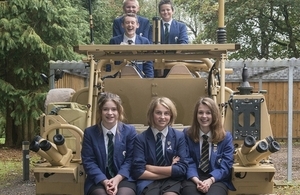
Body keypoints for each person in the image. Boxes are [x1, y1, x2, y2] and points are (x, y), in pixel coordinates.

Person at [81, 92, 137, 195]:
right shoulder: (90, 133)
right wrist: (105, 181)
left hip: (124, 177)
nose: (110, 113)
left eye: (114, 109)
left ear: (119, 111)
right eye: (105, 109)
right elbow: (89, 161)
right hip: (98, 179)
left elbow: (131, 159)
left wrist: (117, 179)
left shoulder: (129, 131)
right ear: (100, 111)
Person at [131, 97, 188, 195]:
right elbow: (138, 172)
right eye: (158, 113)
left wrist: (149, 167)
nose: (162, 117)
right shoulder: (140, 139)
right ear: (151, 114)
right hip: (148, 181)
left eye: (166, 113)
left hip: (172, 182)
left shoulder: (179, 137)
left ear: (171, 115)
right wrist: (170, 169)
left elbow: (181, 169)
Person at [181, 97, 236, 195]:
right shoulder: (187, 134)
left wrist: (210, 180)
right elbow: (186, 160)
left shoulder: (225, 137)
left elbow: (226, 166)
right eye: (200, 112)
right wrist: (197, 180)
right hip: (193, 178)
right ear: (196, 115)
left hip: (217, 179)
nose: (204, 116)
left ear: (214, 115)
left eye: (208, 113)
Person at [109, 13, 154, 78]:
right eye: (127, 22)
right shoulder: (114, 41)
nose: (130, 25)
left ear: (137, 25)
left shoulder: (144, 41)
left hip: (139, 80)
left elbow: (148, 65)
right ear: (122, 25)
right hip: (118, 79)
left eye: (132, 23)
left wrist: (149, 81)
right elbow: (109, 63)